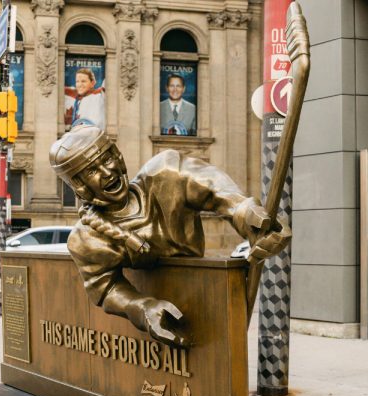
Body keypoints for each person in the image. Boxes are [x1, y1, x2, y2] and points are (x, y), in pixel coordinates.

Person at [49, 125, 289, 347]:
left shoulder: (166, 172)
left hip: (205, 298)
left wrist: (251, 217)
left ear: (118, 155)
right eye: (92, 170)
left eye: (108, 158)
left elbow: (217, 192)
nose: (108, 171)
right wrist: (141, 307)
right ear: (79, 186)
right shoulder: (85, 239)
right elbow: (106, 289)